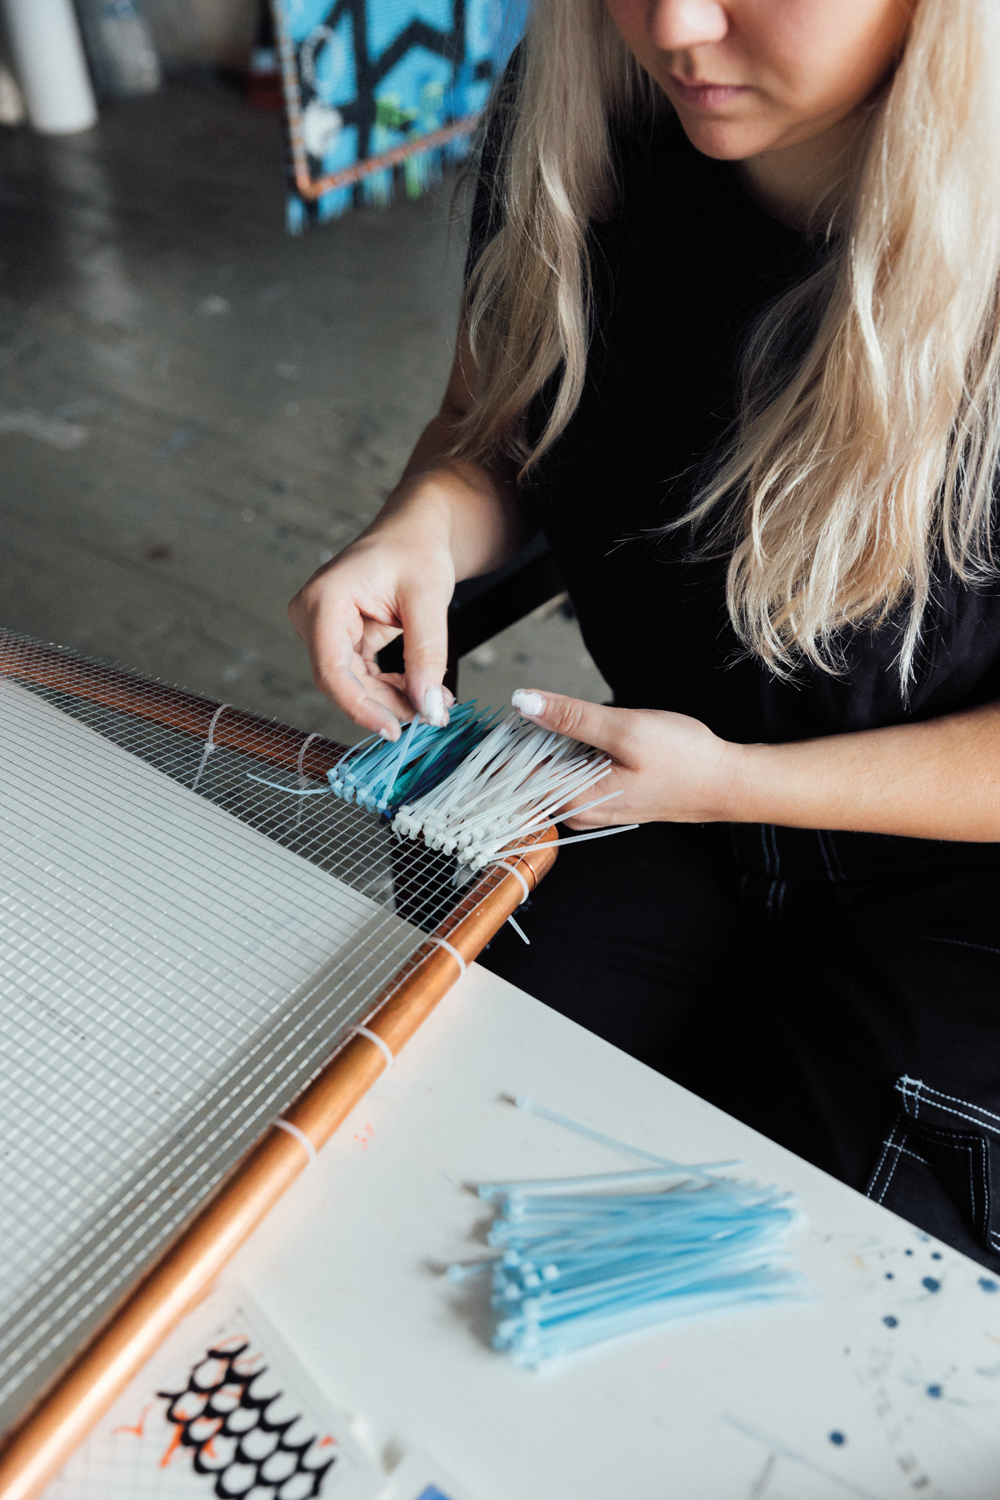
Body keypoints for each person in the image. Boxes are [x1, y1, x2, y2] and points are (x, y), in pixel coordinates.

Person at [289, 0, 1000, 1269]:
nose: (673, 24)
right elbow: (498, 416)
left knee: (826, 1261)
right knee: (426, 1136)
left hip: (951, 865)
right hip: (671, 787)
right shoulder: (582, 99)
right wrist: (419, 533)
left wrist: (742, 785)